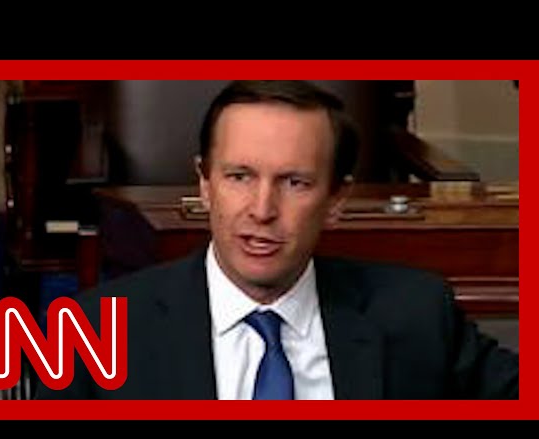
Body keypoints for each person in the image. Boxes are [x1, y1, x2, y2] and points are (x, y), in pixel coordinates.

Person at [35, 80, 519, 400]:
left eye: (295, 182)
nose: (262, 210)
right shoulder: (96, 332)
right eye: (240, 176)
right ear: (205, 184)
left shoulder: (418, 315)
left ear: (336, 199)